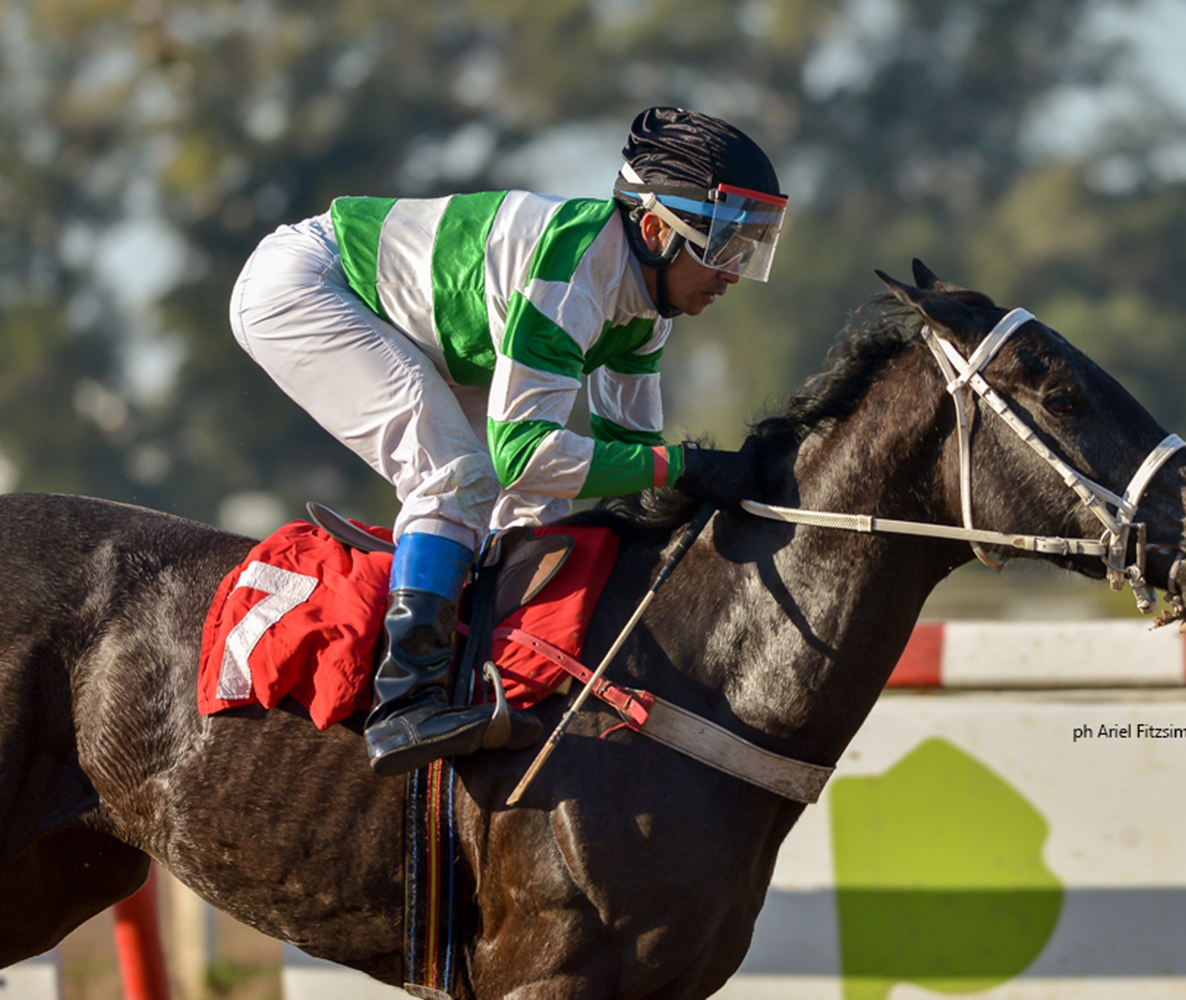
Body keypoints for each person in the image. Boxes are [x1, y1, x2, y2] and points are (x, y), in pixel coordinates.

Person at [228, 107, 788, 776]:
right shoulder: (571, 273)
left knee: (537, 511)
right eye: (722, 246)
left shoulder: (647, 312)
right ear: (653, 229)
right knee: (456, 474)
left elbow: (632, 465)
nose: (733, 272)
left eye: (748, 247)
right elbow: (525, 455)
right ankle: (406, 701)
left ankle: (497, 673)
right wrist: (685, 466)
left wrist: (701, 491)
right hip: (307, 285)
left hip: (427, 331)